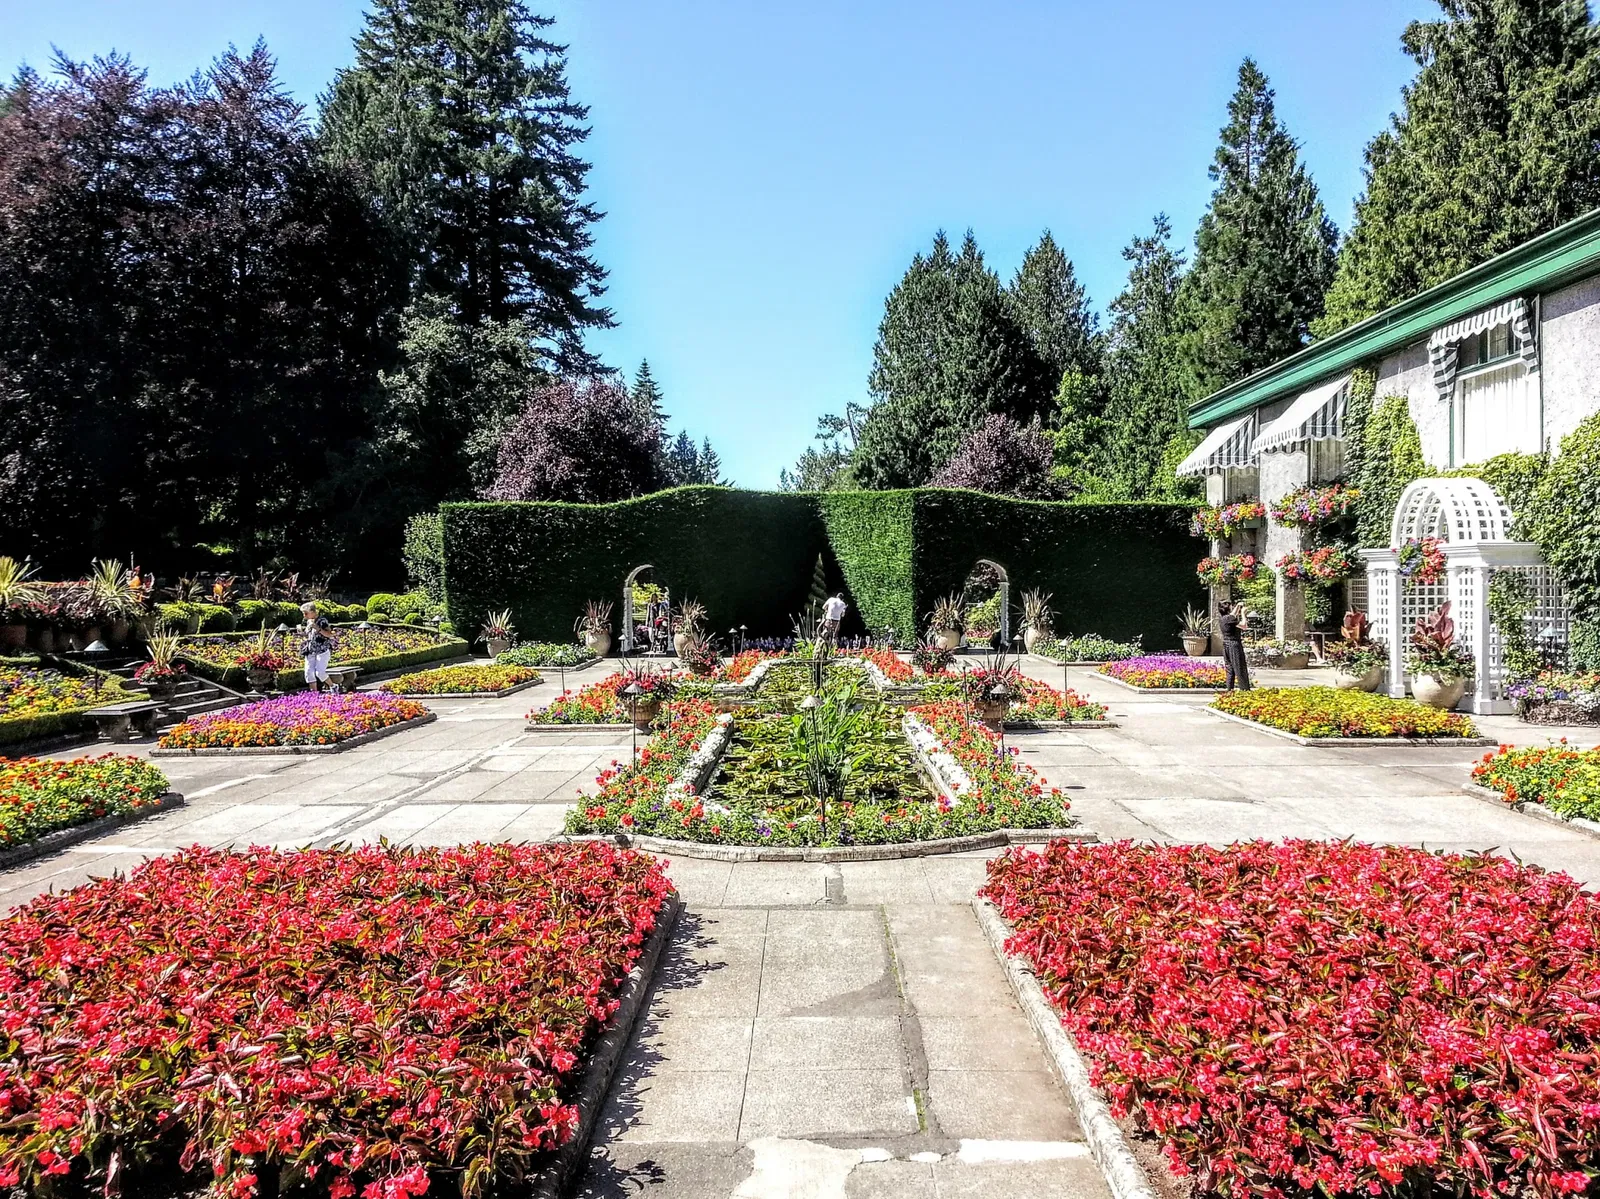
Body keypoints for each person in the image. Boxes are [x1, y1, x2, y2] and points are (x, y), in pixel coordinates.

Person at [300, 601, 335, 692]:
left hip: (322, 650)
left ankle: (333, 686)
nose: (304, 615)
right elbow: (309, 635)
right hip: (311, 650)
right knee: (309, 673)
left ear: (312, 612)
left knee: (320, 673)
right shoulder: (309, 622)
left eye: (306, 613)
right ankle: (314, 695)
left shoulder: (322, 621)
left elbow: (329, 634)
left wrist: (317, 628)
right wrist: (301, 633)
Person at [1219, 601, 1251, 691]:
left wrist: (1238, 606)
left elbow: (1233, 614)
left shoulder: (1223, 618)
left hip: (1226, 645)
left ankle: (1229, 691)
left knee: (1230, 669)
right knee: (1240, 668)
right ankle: (1245, 691)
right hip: (1234, 645)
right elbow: (1244, 626)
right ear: (1228, 608)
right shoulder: (1230, 618)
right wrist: (1243, 614)